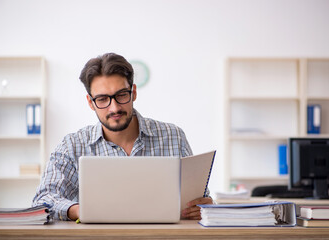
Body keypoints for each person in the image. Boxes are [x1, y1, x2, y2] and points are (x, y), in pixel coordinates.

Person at [32, 53, 213, 221]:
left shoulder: (174, 136)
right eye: (102, 99)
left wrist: (203, 206)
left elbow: (200, 199)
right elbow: (43, 200)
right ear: (90, 102)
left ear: (133, 92)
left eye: (121, 95)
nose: (114, 108)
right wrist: (80, 210)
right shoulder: (72, 145)